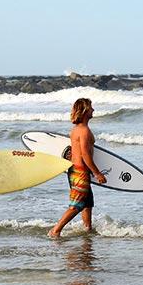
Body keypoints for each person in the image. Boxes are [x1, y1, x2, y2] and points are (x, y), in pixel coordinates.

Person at [48, 98, 107, 238]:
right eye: (91, 107)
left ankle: (87, 229)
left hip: (74, 170)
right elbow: (85, 155)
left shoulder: (76, 129)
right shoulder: (84, 131)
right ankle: (55, 230)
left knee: (87, 202)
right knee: (77, 204)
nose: (93, 110)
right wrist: (97, 173)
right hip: (80, 171)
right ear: (85, 110)